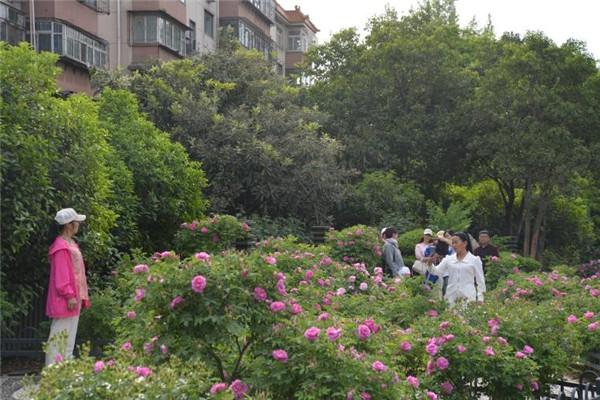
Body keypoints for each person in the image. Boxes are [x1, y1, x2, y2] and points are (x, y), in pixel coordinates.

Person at [45, 208, 91, 366]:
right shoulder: (61, 247)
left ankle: (64, 371)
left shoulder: (70, 244)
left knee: (69, 336)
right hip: (66, 298)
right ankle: (53, 371)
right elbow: (62, 274)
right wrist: (69, 295)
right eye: (76, 222)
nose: (79, 224)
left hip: (74, 297)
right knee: (60, 335)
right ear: (69, 225)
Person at [430, 231, 486, 307]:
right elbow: (436, 272)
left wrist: (480, 299)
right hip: (451, 297)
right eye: (452, 243)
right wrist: (429, 264)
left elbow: (481, 282)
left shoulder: (474, 260)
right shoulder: (448, 259)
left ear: (465, 243)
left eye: (456, 242)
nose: (454, 245)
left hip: (468, 297)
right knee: (451, 318)